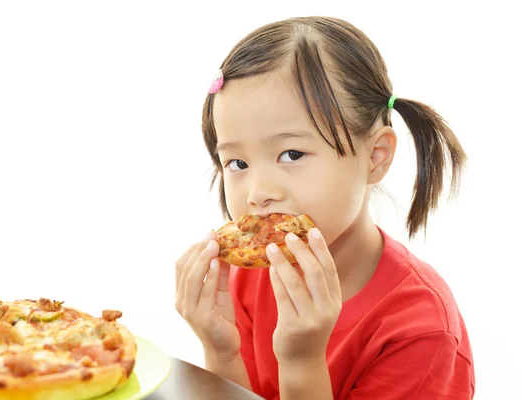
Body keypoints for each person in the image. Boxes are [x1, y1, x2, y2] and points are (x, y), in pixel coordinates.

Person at [175, 16, 474, 400]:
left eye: (292, 153)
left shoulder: (421, 331)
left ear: (375, 157)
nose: (257, 193)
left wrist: (302, 361)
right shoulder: (248, 279)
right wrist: (221, 351)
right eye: (237, 163)